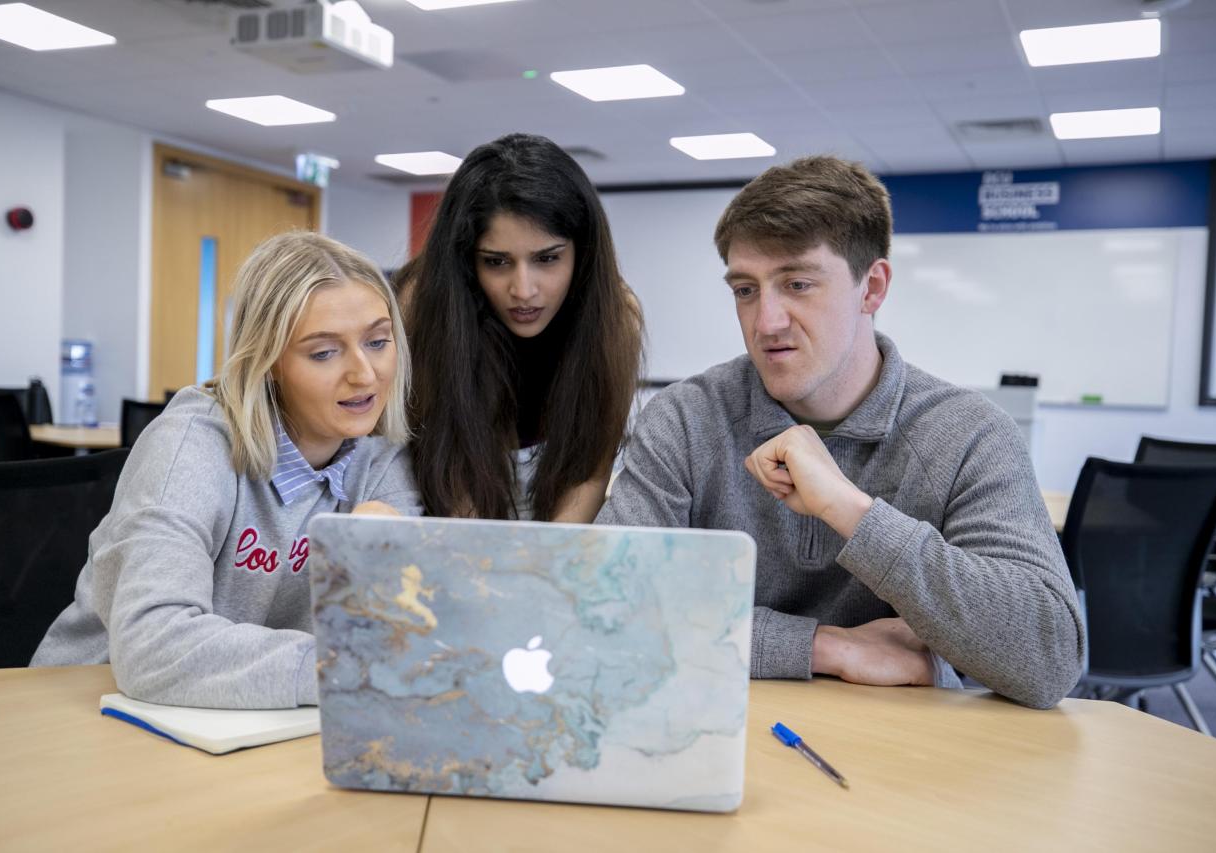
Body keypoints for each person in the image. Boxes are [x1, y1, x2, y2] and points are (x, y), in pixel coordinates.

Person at [596, 155, 1084, 710]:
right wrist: (828, 648)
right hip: (718, 736)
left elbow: (1048, 660)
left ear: (871, 288)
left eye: (797, 284)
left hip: (913, 760)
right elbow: (607, 611)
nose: (766, 321)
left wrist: (853, 513)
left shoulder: (967, 434)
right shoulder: (685, 419)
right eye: (746, 290)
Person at [32, 232, 421, 708]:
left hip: (253, 720)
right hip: (89, 709)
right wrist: (336, 668)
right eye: (323, 352)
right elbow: (152, 646)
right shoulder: (191, 445)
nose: (365, 373)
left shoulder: (381, 457)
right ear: (268, 360)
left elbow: (402, 640)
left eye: (378, 341)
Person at [405, 133, 643, 523]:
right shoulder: (423, 306)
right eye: (496, 262)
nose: (523, 291)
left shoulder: (616, 317)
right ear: (467, 261)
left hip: (557, 542)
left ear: (582, 253)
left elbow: (589, 475)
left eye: (547, 258)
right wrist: (493, 575)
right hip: (448, 533)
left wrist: (546, 570)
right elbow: (452, 480)